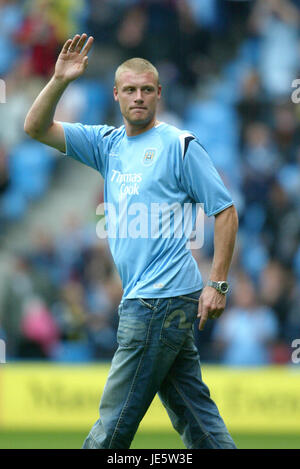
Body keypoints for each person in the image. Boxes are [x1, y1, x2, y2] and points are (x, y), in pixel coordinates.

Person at [24, 33, 239, 449]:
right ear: (117, 96)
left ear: (158, 94)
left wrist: (217, 283)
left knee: (111, 427)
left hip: (157, 301)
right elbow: (34, 127)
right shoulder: (107, 145)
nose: (138, 97)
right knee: (199, 422)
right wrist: (60, 80)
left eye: (146, 90)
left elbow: (225, 210)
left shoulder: (180, 145)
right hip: (148, 300)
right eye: (129, 90)